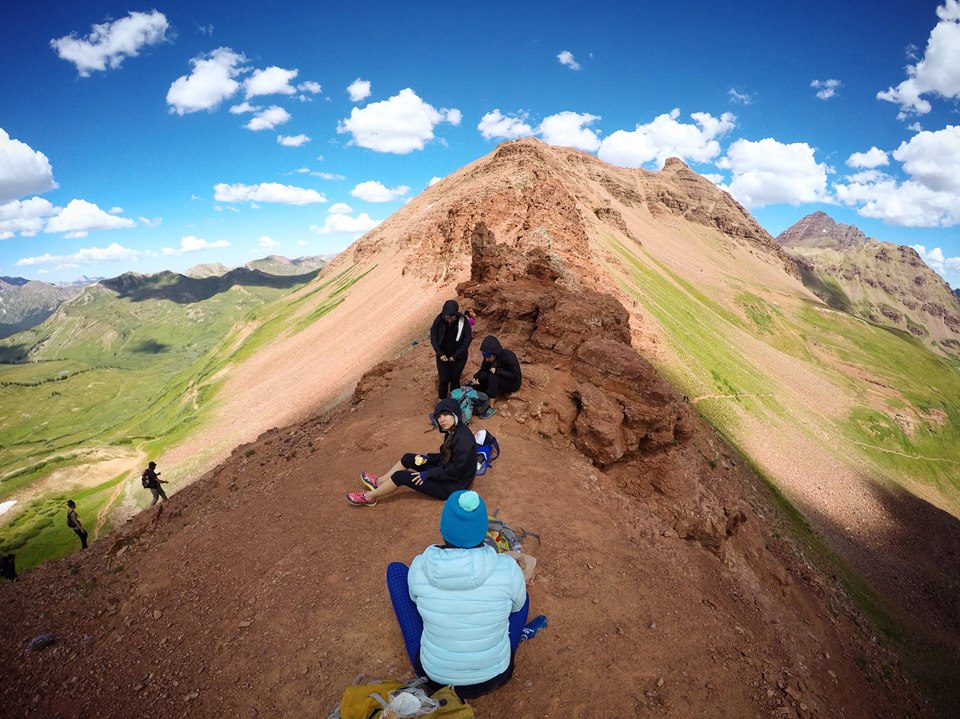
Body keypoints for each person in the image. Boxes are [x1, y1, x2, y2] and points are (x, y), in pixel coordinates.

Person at [386, 490, 529, 700]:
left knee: (396, 571)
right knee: (521, 599)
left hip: (435, 679)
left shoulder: (419, 566)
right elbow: (516, 608)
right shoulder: (507, 567)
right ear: (484, 534)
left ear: (442, 529)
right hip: (495, 676)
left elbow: (415, 600)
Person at [346, 399, 476, 507]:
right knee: (409, 458)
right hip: (445, 473)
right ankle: (379, 483)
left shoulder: (463, 440)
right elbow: (447, 457)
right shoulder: (454, 431)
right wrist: (428, 459)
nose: (441, 419)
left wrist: (428, 473)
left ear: (454, 414)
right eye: (439, 416)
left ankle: (368, 497)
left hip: (451, 487)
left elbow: (455, 470)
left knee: (400, 476)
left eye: (445, 415)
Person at [429, 299, 472, 400]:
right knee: (444, 379)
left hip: (459, 356)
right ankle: (442, 400)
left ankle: (455, 401)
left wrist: (456, 355)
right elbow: (434, 337)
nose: (449, 320)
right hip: (443, 355)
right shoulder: (439, 320)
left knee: (455, 378)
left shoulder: (463, 321)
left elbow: (467, 339)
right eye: (447, 317)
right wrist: (439, 353)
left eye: (452, 317)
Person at [472, 335, 522, 406]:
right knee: (483, 376)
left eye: (488, 356)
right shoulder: (488, 358)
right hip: (499, 377)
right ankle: (482, 394)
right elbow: (483, 369)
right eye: (484, 355)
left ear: (494, 354)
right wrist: (476, 377)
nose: (486, 359)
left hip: (513, 383)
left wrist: (498, 371)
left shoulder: (509, 357)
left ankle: (491, 404)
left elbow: (515, 376)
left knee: (493, 377)